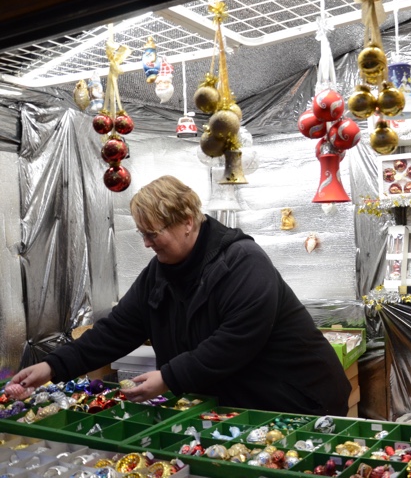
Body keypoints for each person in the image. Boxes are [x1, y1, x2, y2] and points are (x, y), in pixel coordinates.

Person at [10, 175, 352, 415]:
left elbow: (235, 341)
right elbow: (116, 331)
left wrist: (169, 378)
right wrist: (53, 366)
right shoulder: (159, 273)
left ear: (187, 221)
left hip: (297, 400)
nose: (146, 244)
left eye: (152, 233)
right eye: (142, 234)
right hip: (237, 404)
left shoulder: (243, 262)